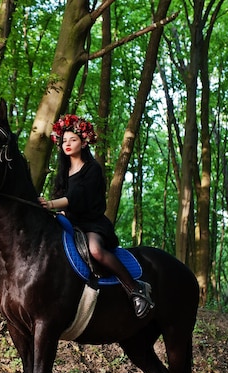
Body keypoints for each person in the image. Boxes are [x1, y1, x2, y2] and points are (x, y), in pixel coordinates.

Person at [39, 114, 154, 318]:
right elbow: (63, 198)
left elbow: (76, 197)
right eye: (64, 140)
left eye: (72, 140)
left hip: (91, 224)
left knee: (95, 250)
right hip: (70, 221)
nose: (67, 144)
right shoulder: (63, 171)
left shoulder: (92, 169)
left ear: (83, 143)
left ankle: (135, 289)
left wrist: (50, 204)